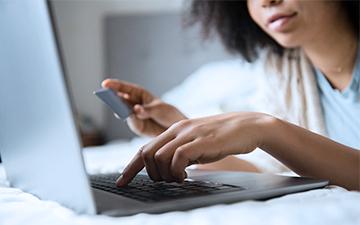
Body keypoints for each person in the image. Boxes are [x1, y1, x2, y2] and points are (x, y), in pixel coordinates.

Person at [102, 0, 360, 190]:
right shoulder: (281, 69)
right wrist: (175, 131)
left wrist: (265, 129)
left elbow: (273, 136)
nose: (267, 2)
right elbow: (274, 169)